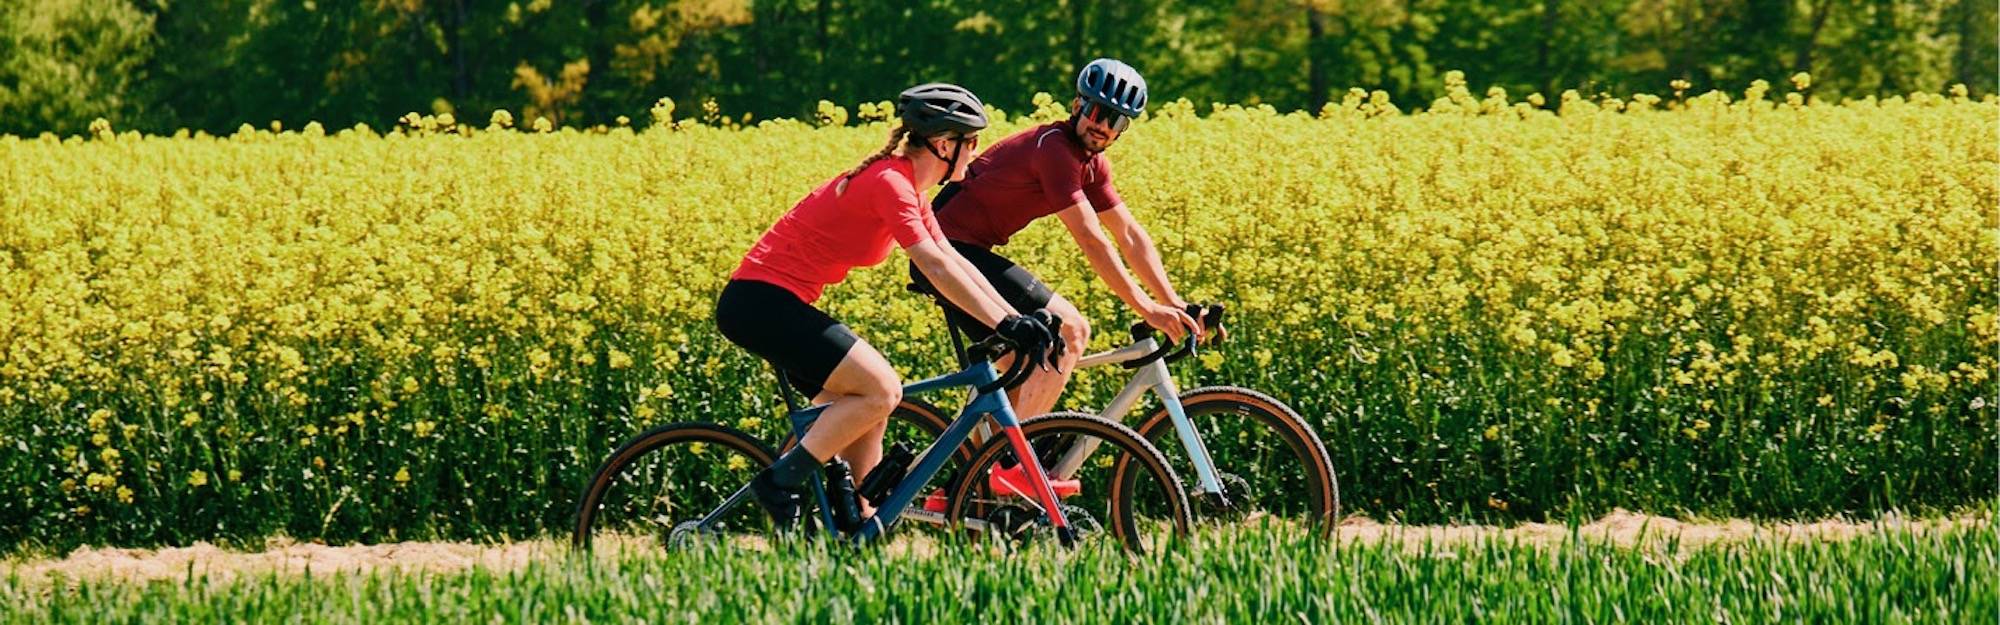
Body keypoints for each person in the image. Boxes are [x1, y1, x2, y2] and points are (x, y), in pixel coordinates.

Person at [717, 83, 1058, 527]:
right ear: (943, 144)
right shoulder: (890, 183)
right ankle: (780, 482)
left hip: (776, 300)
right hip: (759, 302)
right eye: (970, 141)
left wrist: (1014, 319)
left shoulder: (909, 186)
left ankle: (859, 526)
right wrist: (1007, 322)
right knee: (881, 389)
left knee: (871, 405)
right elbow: (934, 266)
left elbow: (952, 257)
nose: (975, 152)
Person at [911, 58, 1204, 427]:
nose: (1101, 125)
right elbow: (1091, 239)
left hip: (966, 251)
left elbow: (1129, 235)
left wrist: (1172, 302)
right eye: (1096, 111)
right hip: (944, 252)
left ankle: (971, 475)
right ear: (1077, 105)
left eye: (1115, 120)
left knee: (1021, 369)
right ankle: (1018, 463)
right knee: (1071, 330)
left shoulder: (1093, 166)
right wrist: (1146, 307)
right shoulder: (1054, 148)